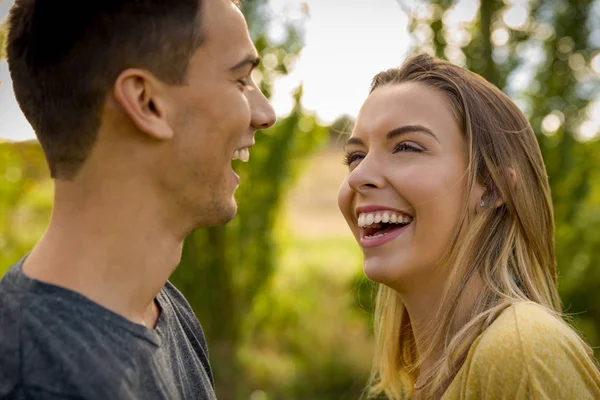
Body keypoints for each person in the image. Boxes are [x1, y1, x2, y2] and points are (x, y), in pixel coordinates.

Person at [0, 0, 275, 399]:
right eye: (241, 80)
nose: (266, 113)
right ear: (146, 102)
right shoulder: (33, 380)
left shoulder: (164, 311)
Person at [337, 54, 600, 399]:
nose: (358, 176)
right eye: (355, 156)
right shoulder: (434, 376)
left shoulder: (521, 351)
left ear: (492, 188)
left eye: (405, 146)